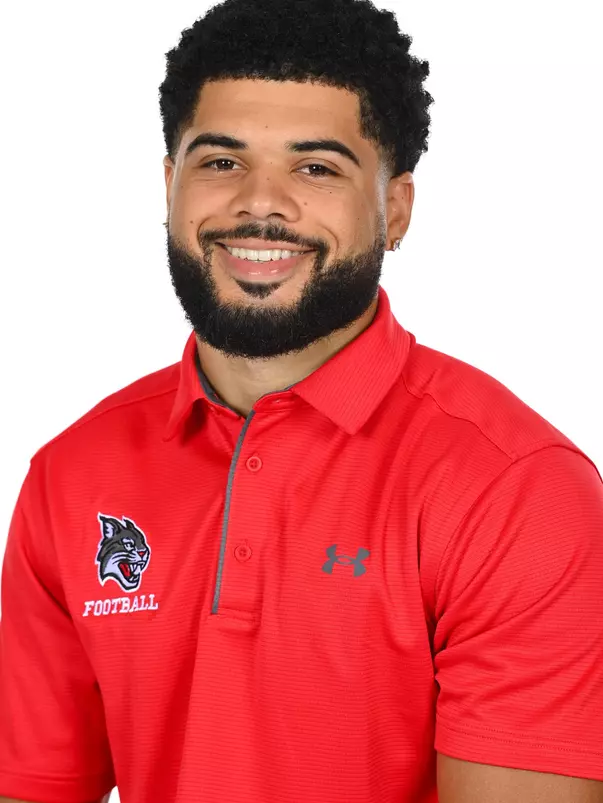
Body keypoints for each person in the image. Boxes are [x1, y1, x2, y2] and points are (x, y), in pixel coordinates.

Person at [1, 0, 602, 801]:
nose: (260, 202)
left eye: (315, 168)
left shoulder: (515, 490)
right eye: (220, 162)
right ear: (169, 184)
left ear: (393, 211)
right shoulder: (70, 474)